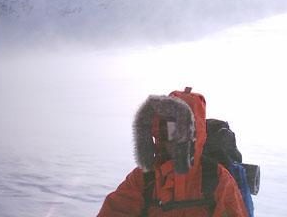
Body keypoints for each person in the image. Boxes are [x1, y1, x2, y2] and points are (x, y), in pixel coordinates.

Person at [97, 88, 248, 217]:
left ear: (196, 135)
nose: (176, 139)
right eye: (170, 131)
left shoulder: (216, 178)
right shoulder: (144, 178)